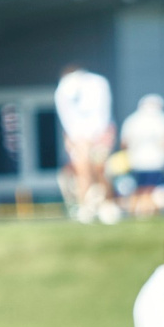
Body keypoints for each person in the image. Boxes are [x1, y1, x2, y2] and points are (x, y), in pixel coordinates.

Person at [54, 64, 115, 222]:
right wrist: (77, 139)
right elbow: (68, 118)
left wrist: (98, 136)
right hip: (80, 138)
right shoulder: (65, 89)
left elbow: (102, 112)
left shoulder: (97, 83)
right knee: (82, 172)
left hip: (98, 135)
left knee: (100, 169)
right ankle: (86, 207)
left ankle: (106, 206)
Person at [120, 93, 164, 217]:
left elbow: (124, 144)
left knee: (139, 191)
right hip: (159, 163)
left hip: (136, 163)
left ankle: (138, 212)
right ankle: (150, 211)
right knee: (158, 192)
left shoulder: (131, 120)